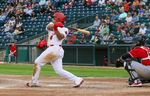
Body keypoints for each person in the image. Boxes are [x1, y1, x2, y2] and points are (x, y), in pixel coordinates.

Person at [26, 12, 84, 88]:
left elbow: (60, 37)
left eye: (54, 18)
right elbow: (49, 27)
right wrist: (55, 26)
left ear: (58, 19)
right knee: (59, 70)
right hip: (54, 49)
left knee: (37, 62)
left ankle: (34, 82)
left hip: (55, 49)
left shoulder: (65, 29)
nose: (53, 19)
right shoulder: (51, 24)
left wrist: (57, 29)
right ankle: (77, 79)